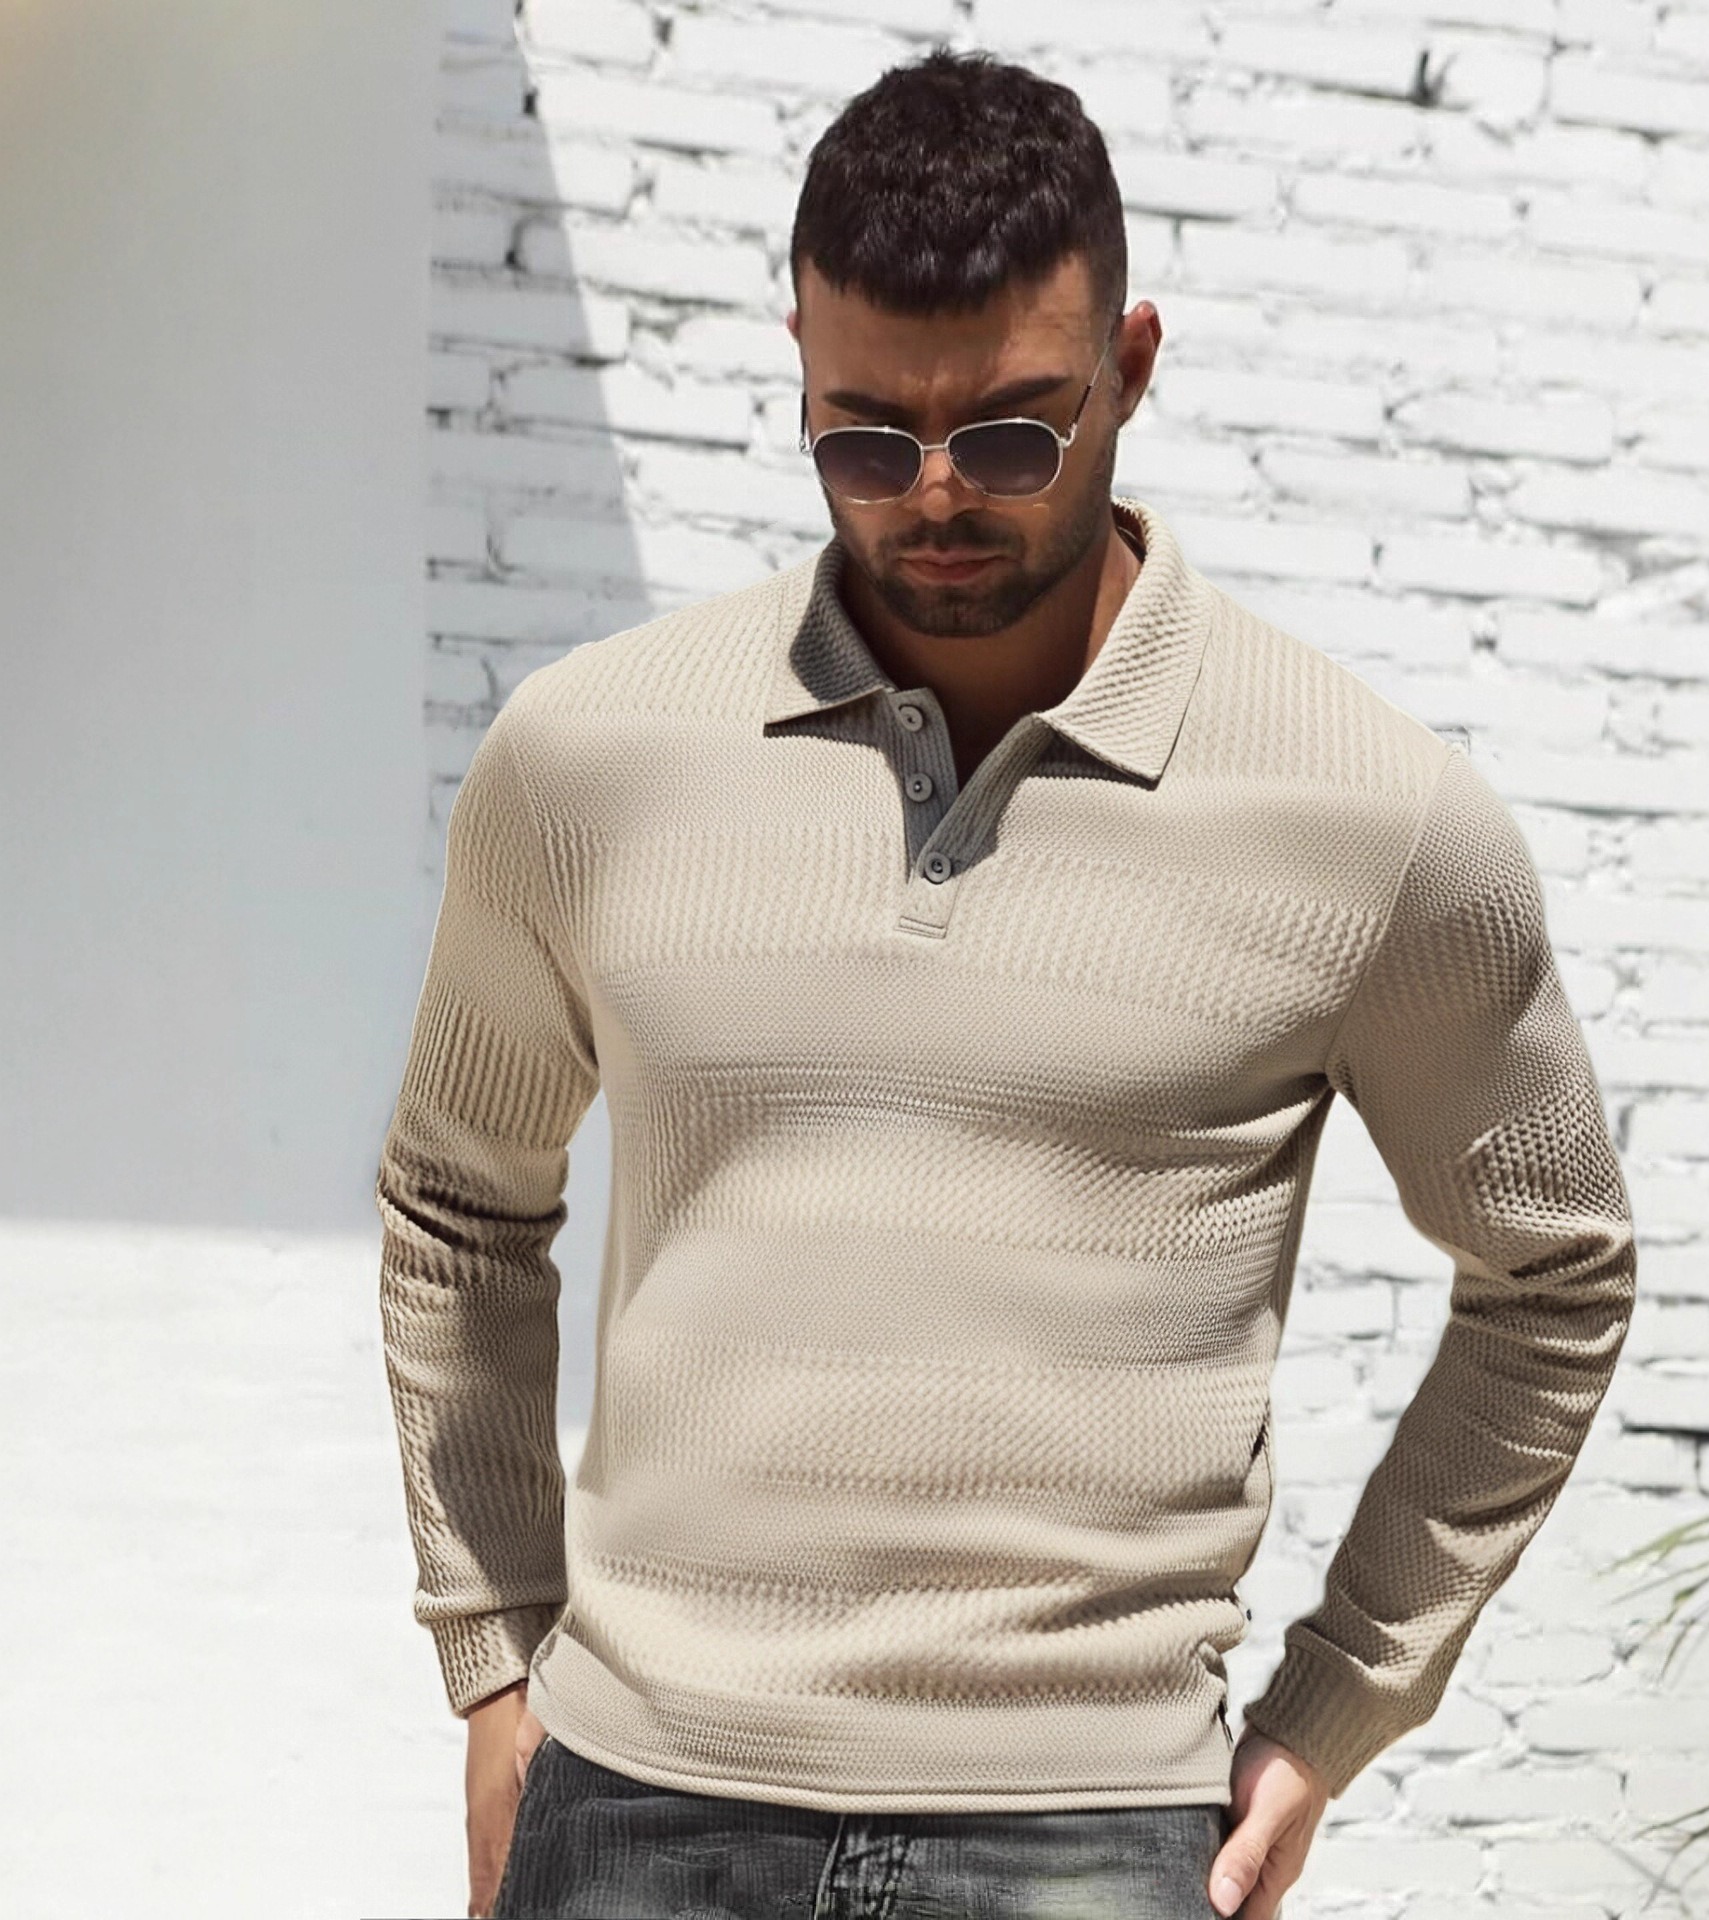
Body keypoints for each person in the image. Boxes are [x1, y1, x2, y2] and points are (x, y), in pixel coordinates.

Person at [375, 46, 1638, 1920]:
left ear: (1132, 361)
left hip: (1090, 1831)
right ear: (798, 367)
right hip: (639, 1805)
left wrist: (1340, 1706)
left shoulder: (1369, 815)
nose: (939, 495)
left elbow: (1554, 1274)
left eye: (1017, 433)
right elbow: (458, 1202)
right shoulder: (590, 759)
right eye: (865, 439)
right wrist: (495, 1656)